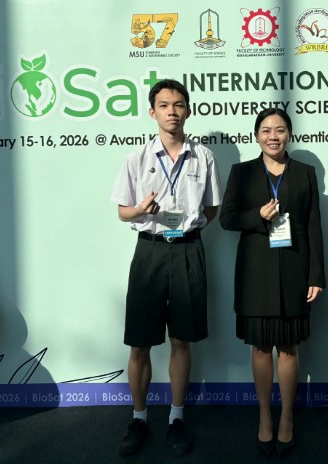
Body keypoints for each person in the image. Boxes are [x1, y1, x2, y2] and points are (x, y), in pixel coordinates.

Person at [110, 79, 221, 457]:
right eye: (164, 105)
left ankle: (176, 416)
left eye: (178, 105)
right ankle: (139, 417)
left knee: (181, 339)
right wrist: (141, 210)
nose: (172, 111)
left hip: (188, 250)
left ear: (188, 110)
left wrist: (186, 226)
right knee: (139, 341)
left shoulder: (203, 157)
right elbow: (122, 211)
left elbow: (211, 209)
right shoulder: (137, 158)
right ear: (152, 111)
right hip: (150, 252)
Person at [219, 108, 325, 458]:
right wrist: (258, 216)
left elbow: (314, 226)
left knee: (289, 347)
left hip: (295, 270)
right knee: (261, 347)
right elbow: (227, 218)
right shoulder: (242, 172)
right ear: (256, 136)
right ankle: (265, 415)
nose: (273, 136)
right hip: (255, 273)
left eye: (280, 130)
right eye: (266, 130)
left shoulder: (305, 173)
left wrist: (316, 275)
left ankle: (287, 417)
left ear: (289, 134)